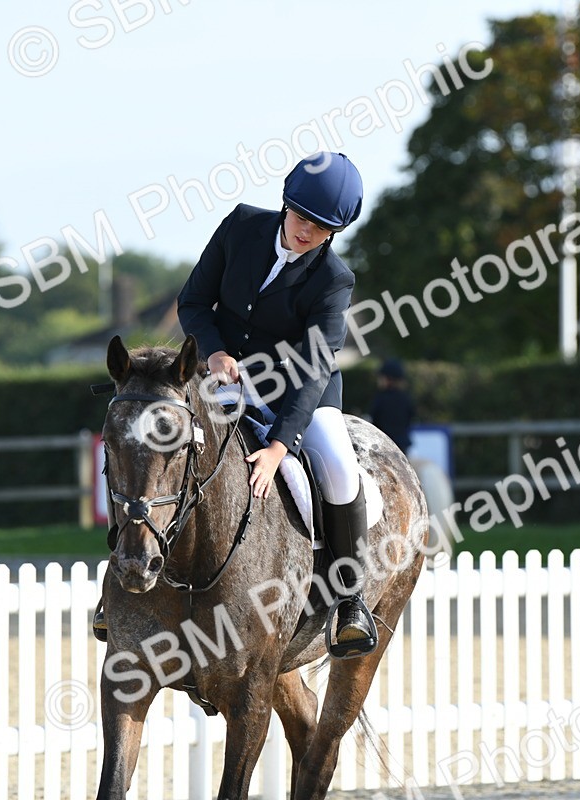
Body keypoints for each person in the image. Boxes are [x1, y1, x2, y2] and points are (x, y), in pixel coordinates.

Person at [177, 151, 377, 659]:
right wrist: (215, 349)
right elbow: (194, 302)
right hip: (226, 376)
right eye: (303, 217)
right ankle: (126, 585)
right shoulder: (241, 226)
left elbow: (313, 369)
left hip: (298, 393)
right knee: (155, 434)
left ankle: (350, 599)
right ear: (285, 204)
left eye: (324, 227)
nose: (308, 232)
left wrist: (279, 447)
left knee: (336, 463)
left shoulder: (334, 279)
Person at [370, 358, 414, 453]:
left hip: (383, 445)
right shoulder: (406, 398)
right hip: (402, 445)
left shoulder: (381, 398)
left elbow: (375, 420)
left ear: (388, 379)